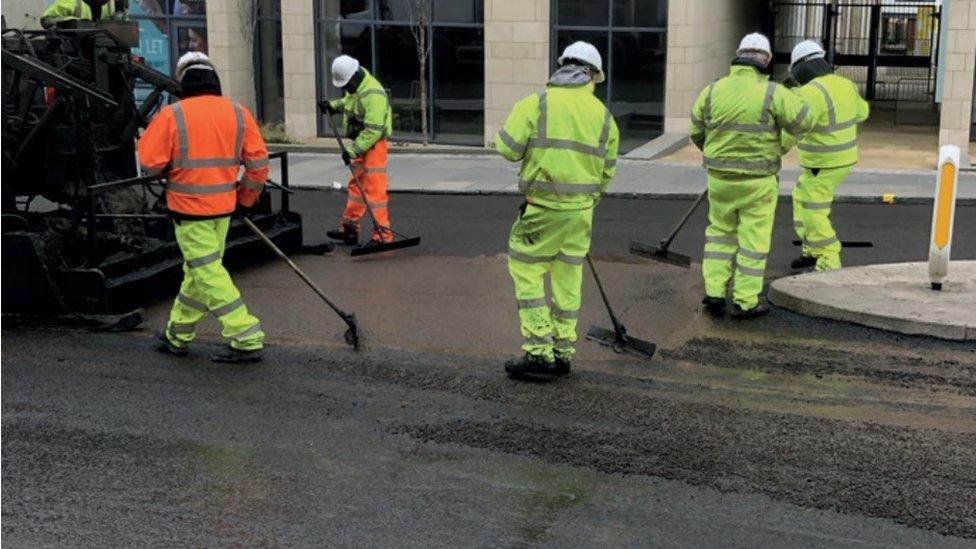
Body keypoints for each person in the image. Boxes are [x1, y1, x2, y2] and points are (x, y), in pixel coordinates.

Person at [494, 41, 619, 378]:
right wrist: (587, 200)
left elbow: (506, 149)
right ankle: (563, 351)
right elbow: (607, 171)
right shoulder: (604, 117)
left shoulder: (536, 104)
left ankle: (538, 353)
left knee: (527, 271)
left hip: (542, 209)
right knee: (568, 278)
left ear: (563, 67)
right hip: (581, 213)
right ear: (591, 75)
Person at [138, 52, 270, 362]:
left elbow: (149, 163)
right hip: (223, 210)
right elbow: (259, 166)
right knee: (197, 273)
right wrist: (245, 200)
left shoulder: (173, 115)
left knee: (208, 274)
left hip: (189, 212)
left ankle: (246, 334)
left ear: (183, 82)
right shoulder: (238, 113)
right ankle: (177, 334)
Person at [690, 33, 816, 319]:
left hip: (719, 180)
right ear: (767, 60)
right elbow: (804, 122)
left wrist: (716, 155)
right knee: (752, 241)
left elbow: (696, 131)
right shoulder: (773, 93)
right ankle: (746, 301)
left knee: (719, 235)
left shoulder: (711, 91)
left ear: (737, 55)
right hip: (758, 183)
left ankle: (714, 291)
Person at [786, 40, 870, 271]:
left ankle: (828, 259)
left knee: (814, 211)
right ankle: (811, 249)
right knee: (800, 197)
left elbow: (797, 125)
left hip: (822, 163)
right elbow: (862, 112)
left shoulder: (810, 92)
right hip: (842, 159)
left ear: (801, 68)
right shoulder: (846, 84)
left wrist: (776, 147)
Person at [317, 55, 394, 247]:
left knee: (374, 190)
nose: (345, 89)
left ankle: (382, 236)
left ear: (353, 77)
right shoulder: (357, 88)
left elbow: (374, 131)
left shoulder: (374, 94)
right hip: (361, 144)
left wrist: (352, 151)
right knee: (356, 187)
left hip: (373, 146)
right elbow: (349, 102)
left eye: (345, 85)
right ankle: (349, 229)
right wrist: (333, 106)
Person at [40, 0, 118, 28]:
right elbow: (46, 19)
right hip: (70, 50)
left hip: (96, 49)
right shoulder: (72, 1)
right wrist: (74, 22)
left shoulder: (108, 6)